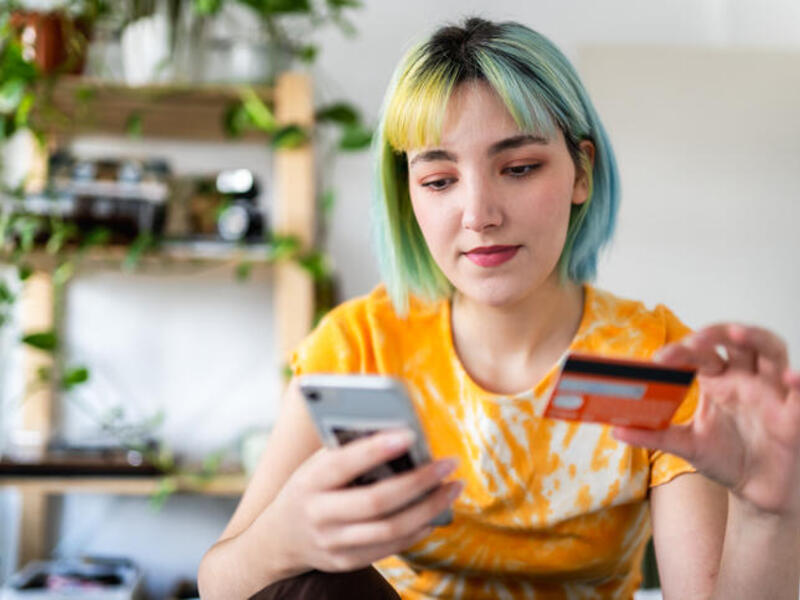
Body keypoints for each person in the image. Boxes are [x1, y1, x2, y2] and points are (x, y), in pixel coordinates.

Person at [198, 17, 800, 600]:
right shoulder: (360, 343)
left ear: (580, 172)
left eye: (519, 168)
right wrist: (281, 541)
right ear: (408, 195)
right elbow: (219, 584)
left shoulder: (651, 357)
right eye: (438, 181)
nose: (479, 214)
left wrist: (767, 510)